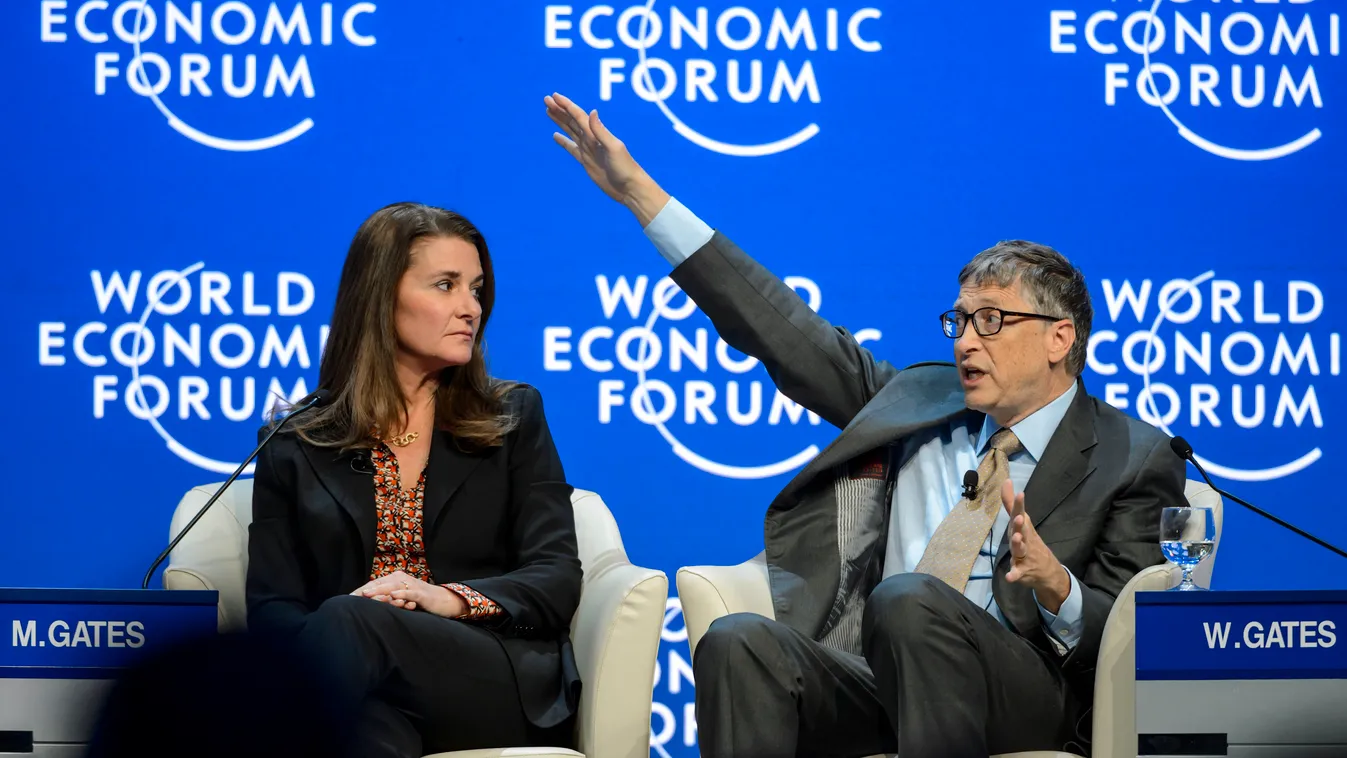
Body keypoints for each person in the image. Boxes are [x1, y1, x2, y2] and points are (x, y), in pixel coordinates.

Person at [543, 92, 1185, 757]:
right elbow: (779, 328)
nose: (966, 341)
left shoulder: (1132, 455)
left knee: (909, 599)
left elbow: (1136, 637)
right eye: (959, 320)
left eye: (990, 320)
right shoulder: (912, 400)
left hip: (1023, 691)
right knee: (740, 642)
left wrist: (1057, 586)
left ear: (1059, 338)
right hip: (878, 679)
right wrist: (645, 198)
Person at [245, 202, 583, 758]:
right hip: (363, 691)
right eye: (445, 285)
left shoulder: (512, 417)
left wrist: (447, 599)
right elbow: (274, 610)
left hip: (490, 678)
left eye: (475, 289)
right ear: (379, 298)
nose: (469, 307)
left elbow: (555, 577)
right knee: (363, 733)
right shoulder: (295, 443)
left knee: (354, 619)